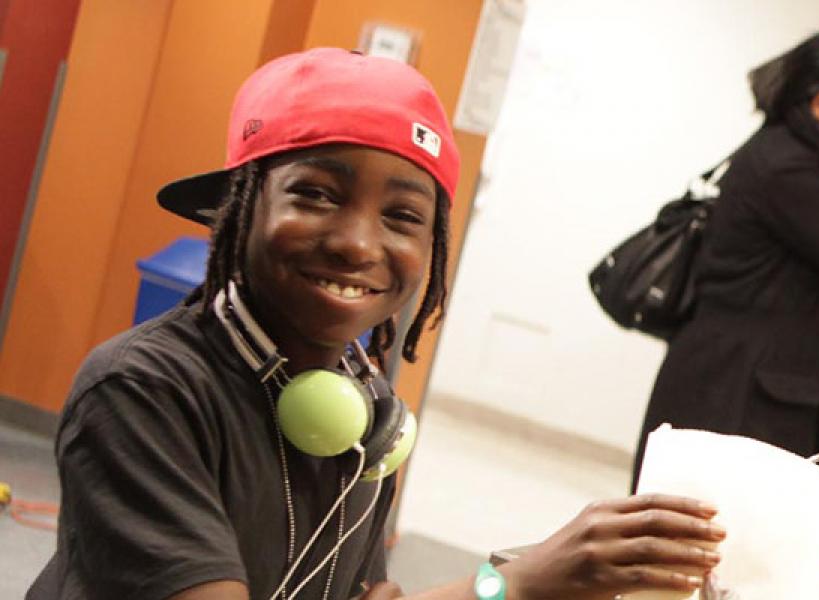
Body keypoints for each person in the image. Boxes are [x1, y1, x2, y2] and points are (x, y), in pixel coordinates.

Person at [31, 48, 724, 600]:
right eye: (315, 194)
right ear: (238, 209)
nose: (359, 244)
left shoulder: (365, 415)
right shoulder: (142, 391)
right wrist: (513, 584)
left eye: (402, 216)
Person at [637, 24, 819, 483]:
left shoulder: (788, 155)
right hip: (737, 390)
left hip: (740, 379)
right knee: (698, 521)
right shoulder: (790, 169)